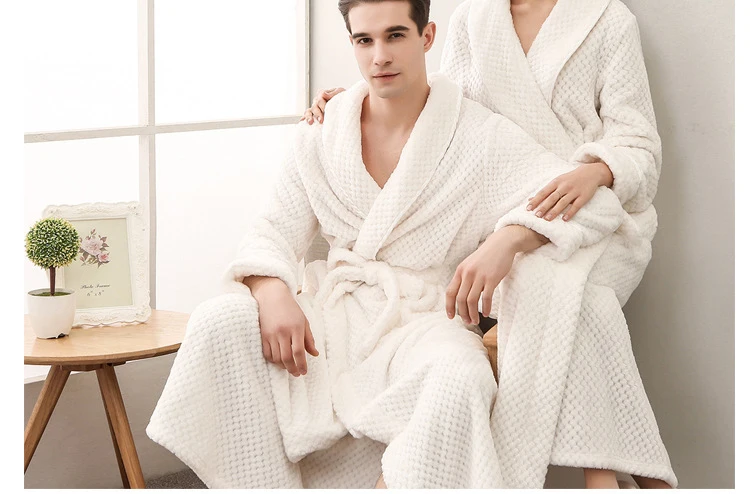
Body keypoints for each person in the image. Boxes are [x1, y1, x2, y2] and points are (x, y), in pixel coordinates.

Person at [146, 0, 629, 489]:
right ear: (352, 44)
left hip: (422, 321)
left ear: (427, 36)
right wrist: (271, 290)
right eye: (365, 40)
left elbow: (595, 205)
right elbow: (272, 228)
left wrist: (509, 239)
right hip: (334, 317)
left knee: (462, 377)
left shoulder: (478, 136)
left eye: (395, 35)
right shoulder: (324, 130)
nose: (380, 56)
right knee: (221, 319)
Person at [301, 0, 677, 489]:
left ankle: (598, 477)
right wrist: (354, 102)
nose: (380, 49)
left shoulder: (606, 20)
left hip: (592, 212)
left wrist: (596, 171)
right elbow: (447, 113)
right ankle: (632, 479)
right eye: (365, 42)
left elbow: (640, 145)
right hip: (500, 216)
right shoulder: (472, 20)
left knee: (564, 292)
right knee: (569, 297)